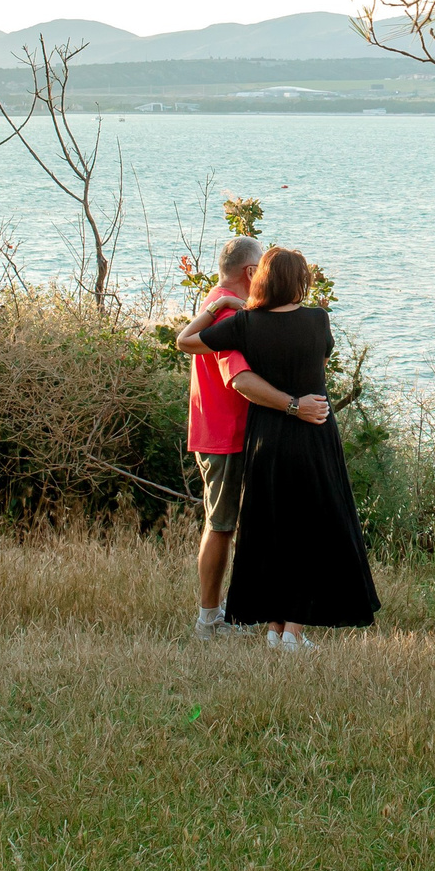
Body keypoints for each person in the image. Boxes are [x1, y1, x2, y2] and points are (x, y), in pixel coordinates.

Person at [174, 244, 378, 648]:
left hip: (263, 436)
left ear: (261, 277)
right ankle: (292, 631)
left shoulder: (245, 322)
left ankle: (271, 627)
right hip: (311, 428)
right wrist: (296, 401)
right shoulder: (318, 321)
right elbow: (315, 367)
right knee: (307, 528)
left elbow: (186, 341)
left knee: (268, 530)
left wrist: (221, 308)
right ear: (299, 282)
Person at [174, 234, 260, 637]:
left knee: (225, 523)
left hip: (217, 430)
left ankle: (221, 613)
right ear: (251, 271)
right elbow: (240, 379)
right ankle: (209, 618)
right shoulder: (226, 315)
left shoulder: (217, 300)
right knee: (222, 525)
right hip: (226, 435)